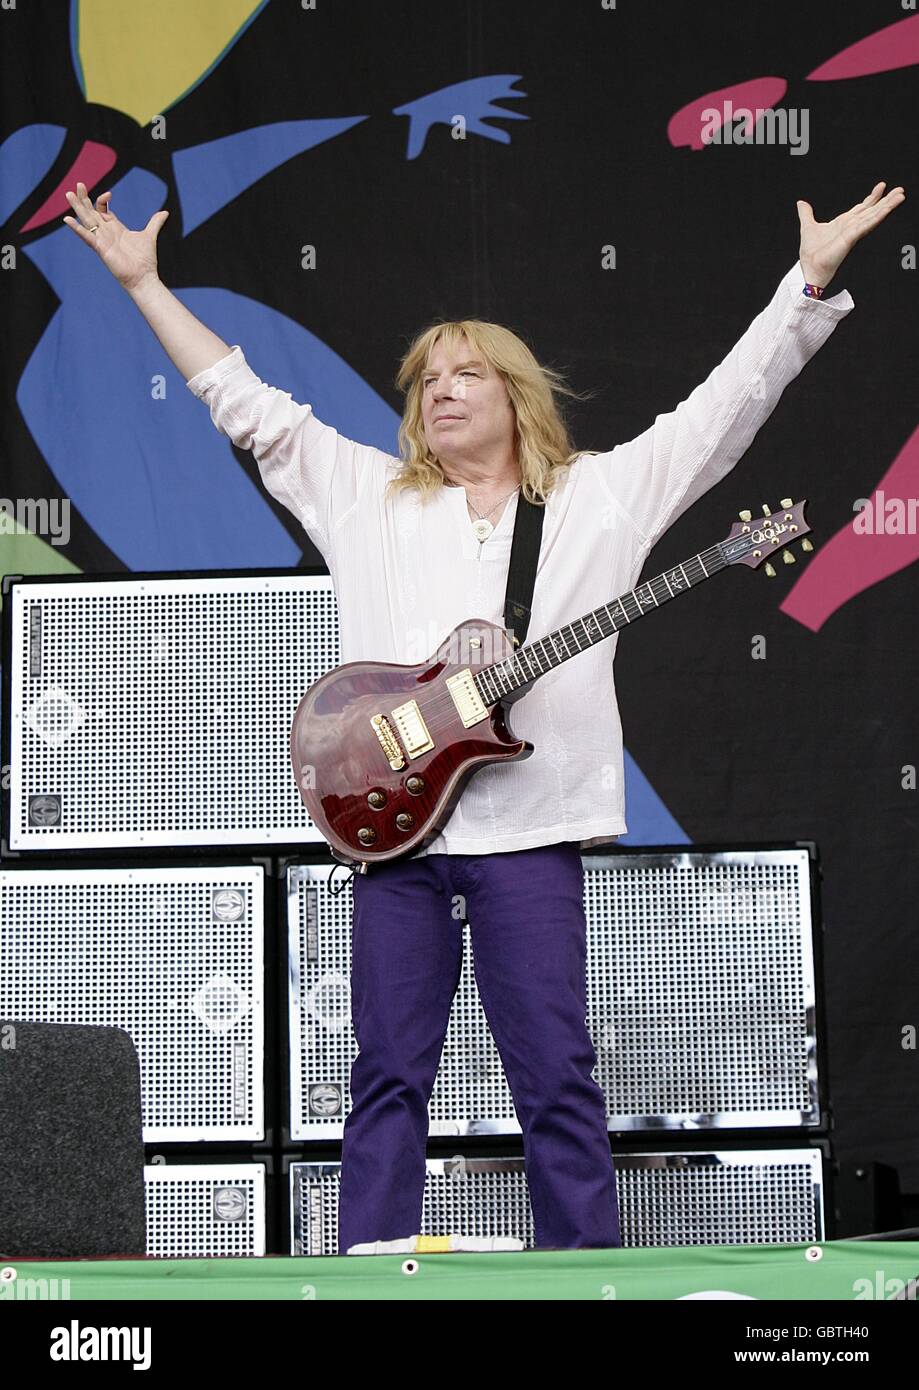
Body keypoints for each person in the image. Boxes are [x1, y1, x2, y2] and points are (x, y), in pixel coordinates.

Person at [64, 178, 904, 1254]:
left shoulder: (598, 499)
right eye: (425, 380)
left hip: (531, 832)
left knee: (555, 1071)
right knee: (383, 1075)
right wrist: (143, 284)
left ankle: (584, 1279)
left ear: (515, 394)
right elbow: (243, 400)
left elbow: (720, 414)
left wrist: (808, 282)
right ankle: (371, 1273)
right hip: (394, 833)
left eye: (467, 373)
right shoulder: (365, 494)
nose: (441, 392)